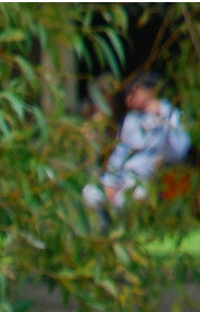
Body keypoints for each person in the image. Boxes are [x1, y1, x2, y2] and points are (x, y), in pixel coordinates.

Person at [82, 72, 191, 228]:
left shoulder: (173, 116)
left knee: (130, 198)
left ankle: (126, 235)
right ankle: (104, 233)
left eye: (134, 93)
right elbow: (119, 154)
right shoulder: (131, 120)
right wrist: (110, 183)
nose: (128, 99)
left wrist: (163, 116)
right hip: (122, 176)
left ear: (150, 92)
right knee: (91, 193)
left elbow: (180, 150)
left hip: (148, 179)